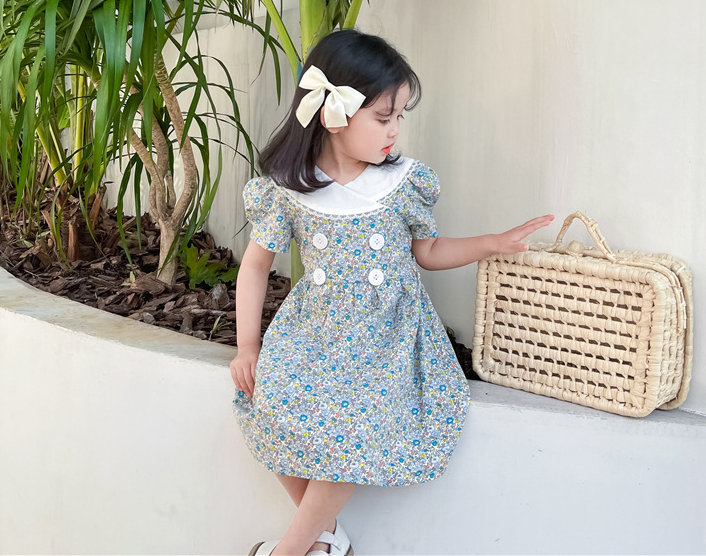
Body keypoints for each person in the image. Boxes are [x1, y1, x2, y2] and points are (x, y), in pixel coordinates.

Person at [230, 30, 554, 556]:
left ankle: (290, 551)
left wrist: (491, 242)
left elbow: (429, 252)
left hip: (389, 337)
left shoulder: (403, 182)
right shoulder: (287, 189)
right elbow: (255, 267)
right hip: (317, 329)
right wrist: (248, 346)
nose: (395, 130)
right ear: (333, 114)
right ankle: (325, 540)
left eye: (400, 116)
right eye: (384, 117)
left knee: (357, 424)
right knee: (267, 402)